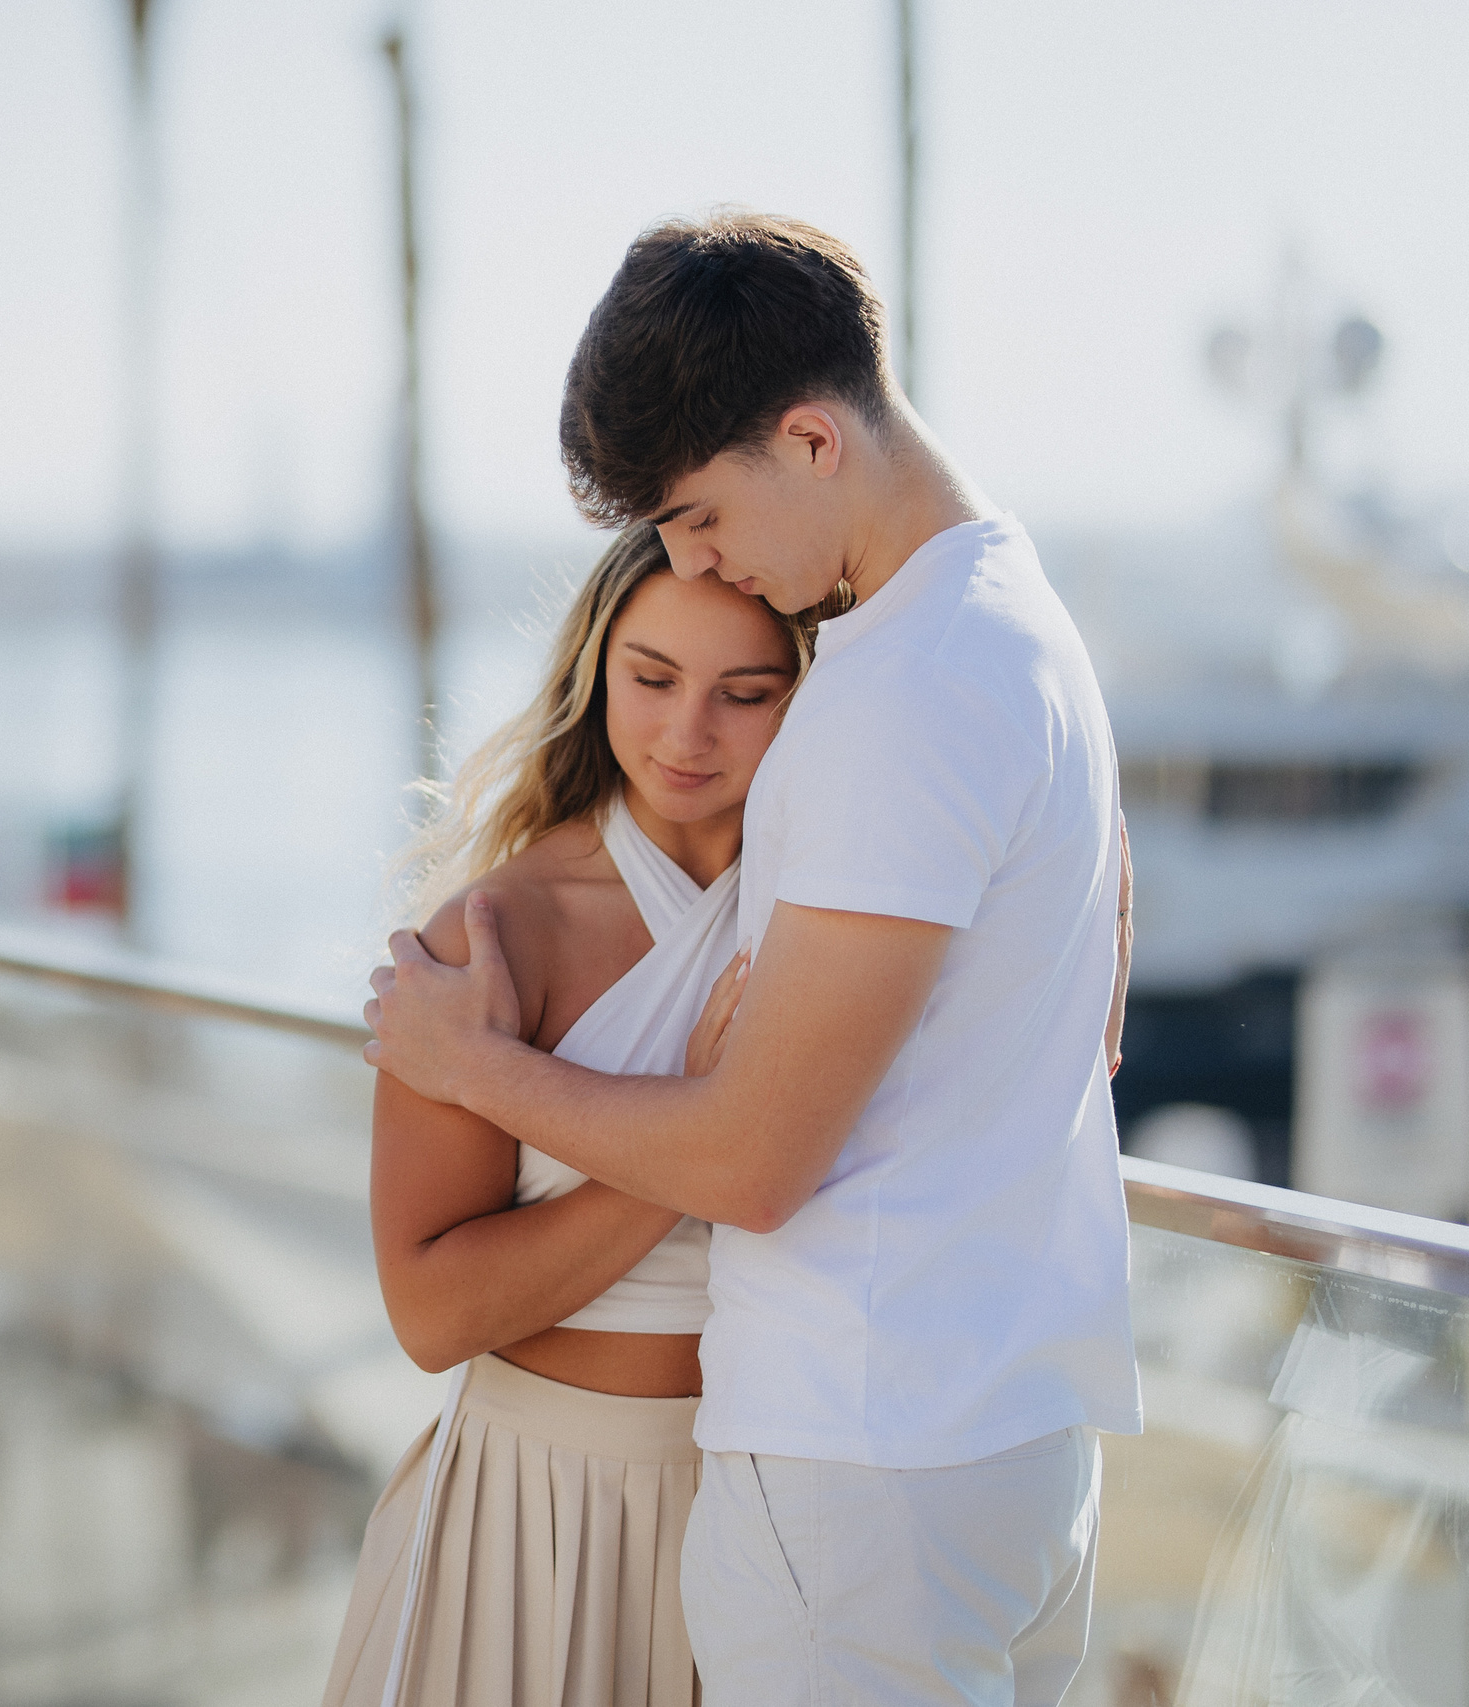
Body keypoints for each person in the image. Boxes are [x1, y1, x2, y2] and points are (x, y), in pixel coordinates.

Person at [363, 210, 1142, 1707]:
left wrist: (473, 1062)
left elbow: (755, 1159)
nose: (694, 556)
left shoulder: (900, 693)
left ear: (810, 438)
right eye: (652, 663)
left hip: (862, 1462)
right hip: (1005, 1439)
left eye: (702, 515)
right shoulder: (1018, 630)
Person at [323, 524, 814, 1707]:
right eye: (651, 678)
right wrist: (702, 1135)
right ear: (594, 673)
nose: (686, 733)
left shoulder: (833, 921)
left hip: (779, 1515)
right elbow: (431, 1313)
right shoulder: (495, 935)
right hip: (543, 1512)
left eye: (744, 694)